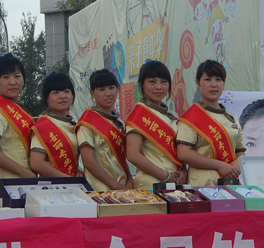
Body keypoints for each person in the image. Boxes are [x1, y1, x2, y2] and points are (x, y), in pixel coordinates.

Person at [177, 60, 246, 186]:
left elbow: (240, 151)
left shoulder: (232, 118)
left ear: (223, 83)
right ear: (198, 83)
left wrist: (238, 164)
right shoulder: (191, 117)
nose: (213, 85)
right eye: (208, 79)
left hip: (230, 183)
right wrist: (219, 165)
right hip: (202, 185)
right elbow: (184, 153)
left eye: (218, 79)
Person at [126, 60, 185, 189]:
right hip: (149, 183)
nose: (158, 87)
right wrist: (165, 176)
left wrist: (183, 171)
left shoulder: (170, 117)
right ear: (141, 84)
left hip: (173, 183)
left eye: (163, 82)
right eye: (152, 82)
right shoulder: (139, 114)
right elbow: (132, 155)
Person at [0, 52, 36, 191]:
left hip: (25, 183)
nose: (12, 82)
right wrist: (23, 172)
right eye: (6, 77)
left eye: (17, 76)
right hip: (10, 186)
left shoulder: (21, 110)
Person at [76, 69, 133, 191]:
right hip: (99, 190)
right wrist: (115, 185)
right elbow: (88, 161)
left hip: (123, 188)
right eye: (102, 89)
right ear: (92, 93)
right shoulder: (87, 123)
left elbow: (120, 158)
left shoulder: (118, 122)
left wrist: (129, 178)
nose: (108, 93)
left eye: (111, 88)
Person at [30, 72, 80, 177]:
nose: (62, 96)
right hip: (54, 186)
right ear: (45, 98)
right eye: (56, 92)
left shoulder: (73, 125)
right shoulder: (43, 126)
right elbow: (36, 163)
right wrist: (70, 181)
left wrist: (80, 173)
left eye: (67, 91)